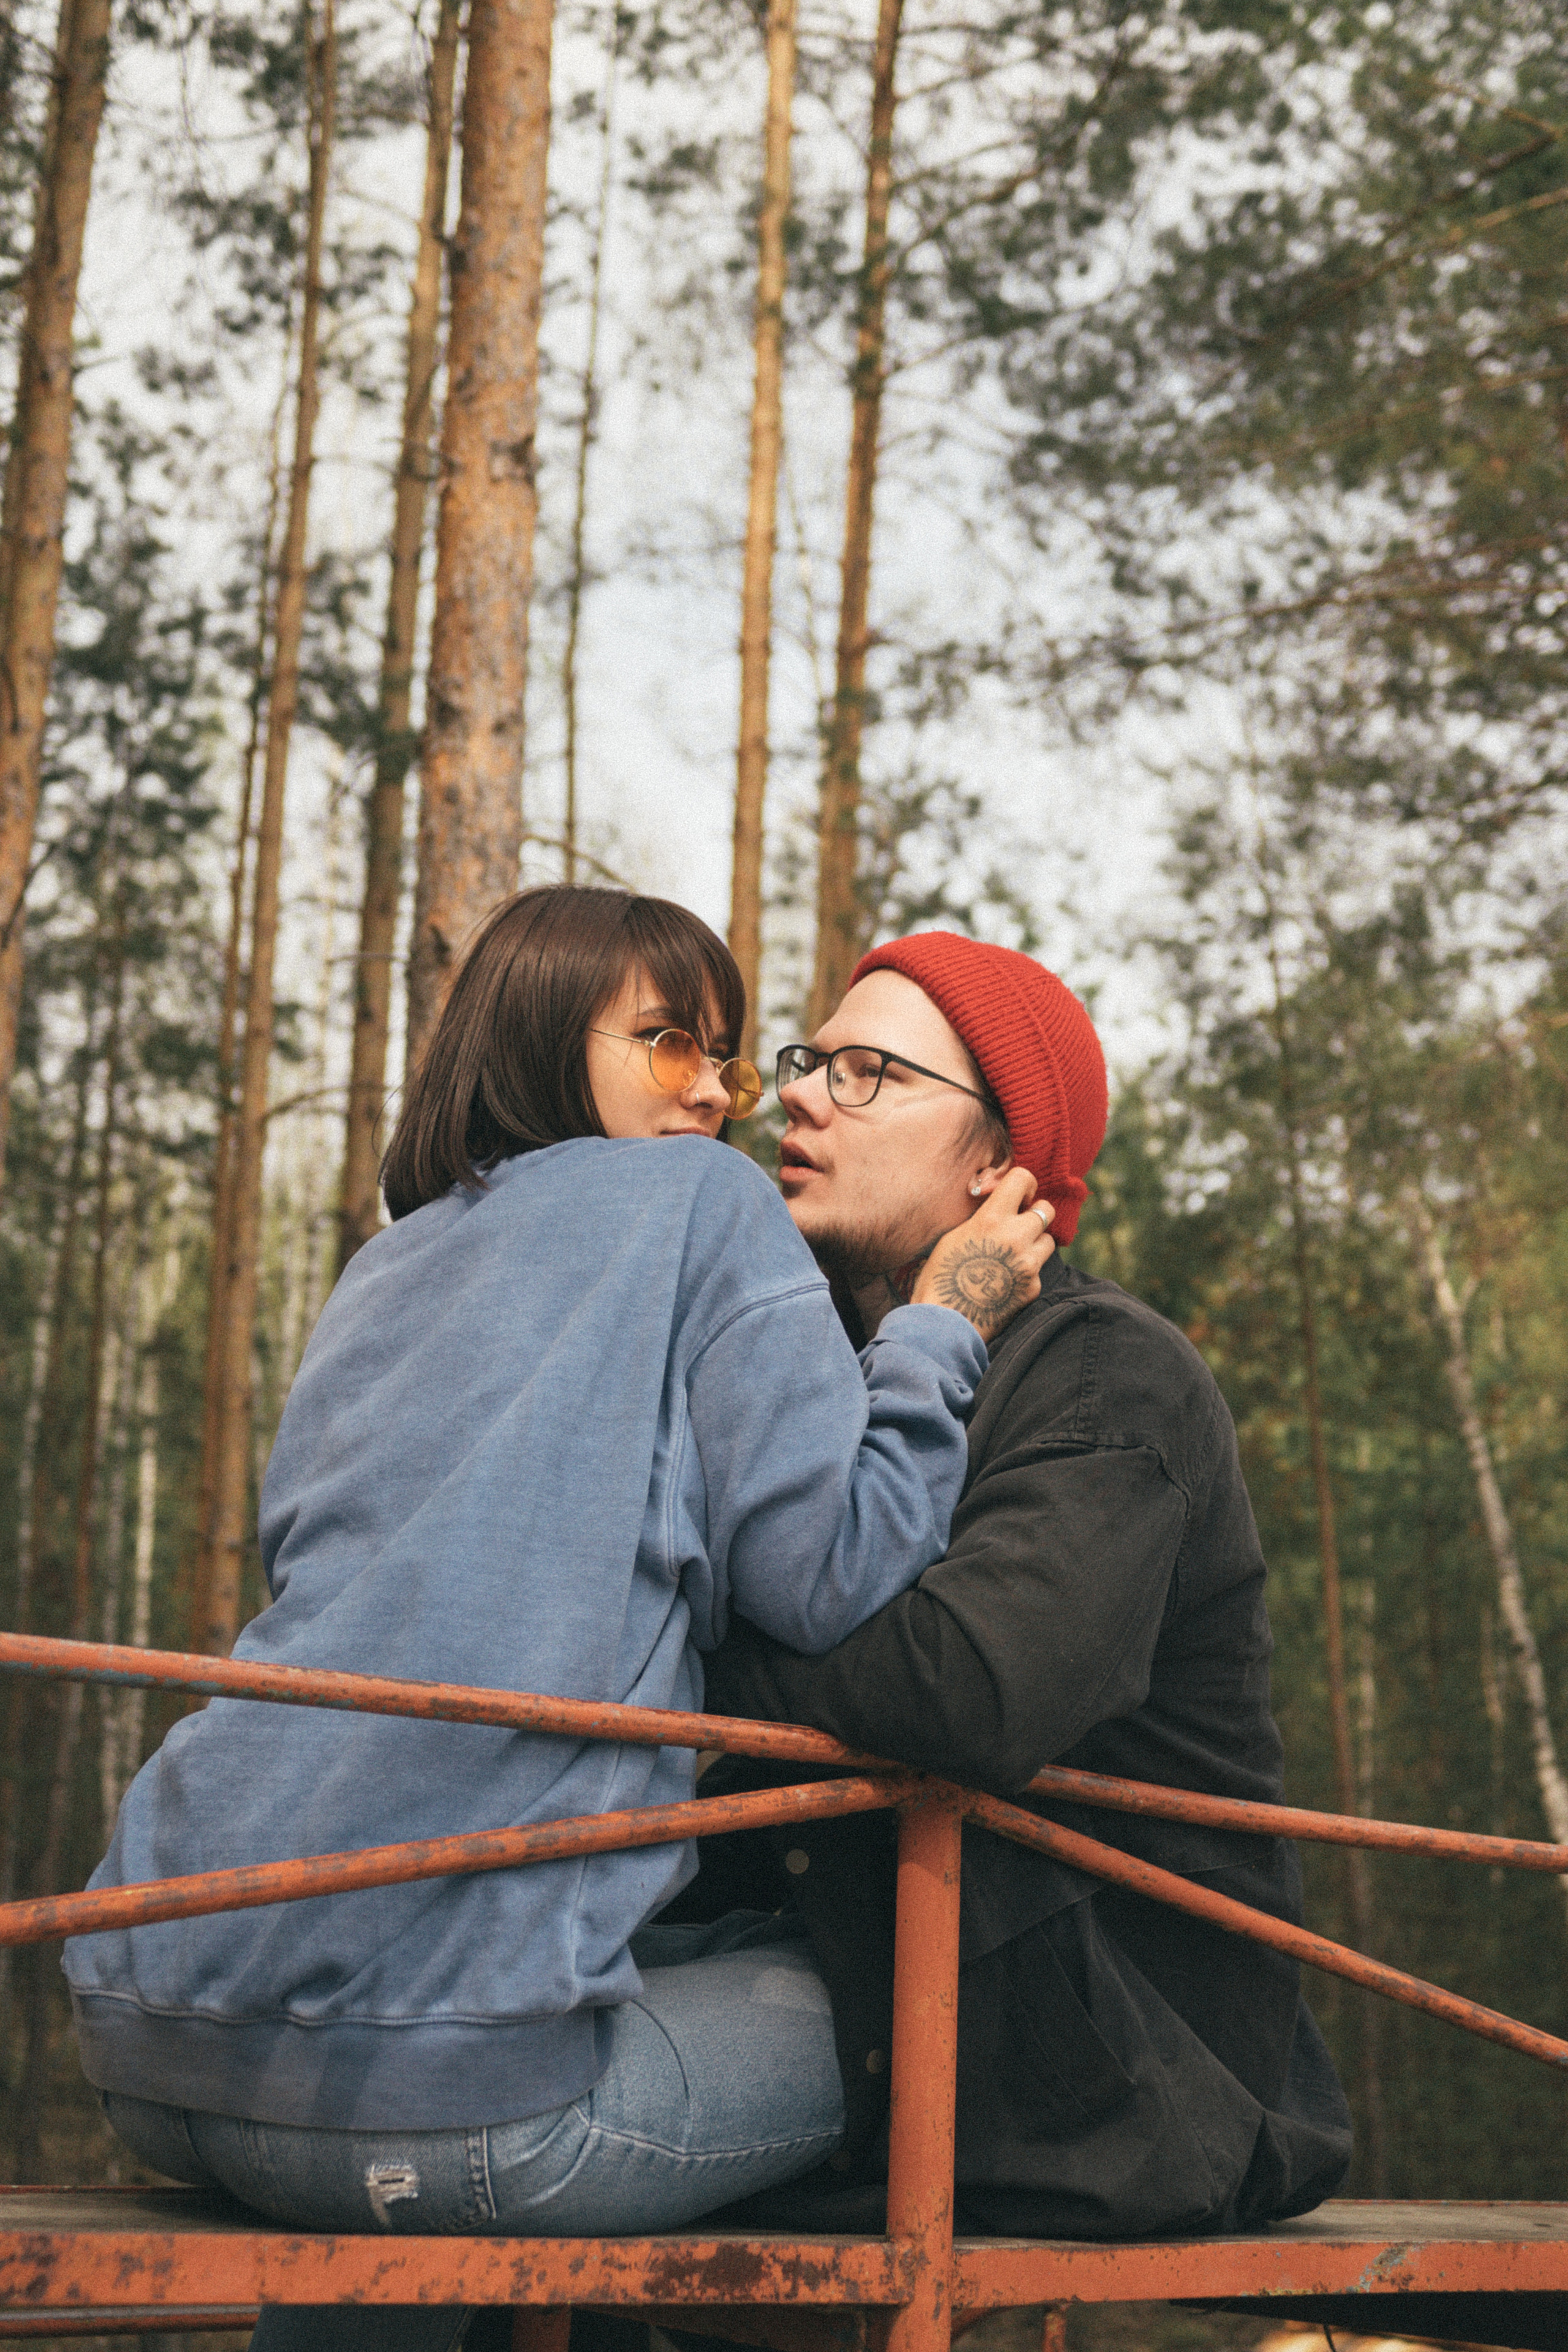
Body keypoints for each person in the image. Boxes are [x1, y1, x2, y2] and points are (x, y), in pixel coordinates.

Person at [64, 889, 1056, 2301]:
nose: (718, 1092)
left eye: (726, 1053)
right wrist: (937, 1331)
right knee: (933, 2014)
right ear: (540, 1037)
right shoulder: (704, 1202)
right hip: (459, 2125)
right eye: (667, 1045)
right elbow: (833, 1572)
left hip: (153, 2030)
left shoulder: (383, 1260)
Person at [679, 930, 1355, 2241]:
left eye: (872, 1071)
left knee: (472, 2127)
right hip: (847, 1983)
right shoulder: (800, 1364)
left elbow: (963, 1687)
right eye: (811, 1058)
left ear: (999, 1165)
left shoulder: (1109, 1377)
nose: (804, 1092)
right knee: (436, 2079)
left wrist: (686, 1654)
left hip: (1095, 2062)